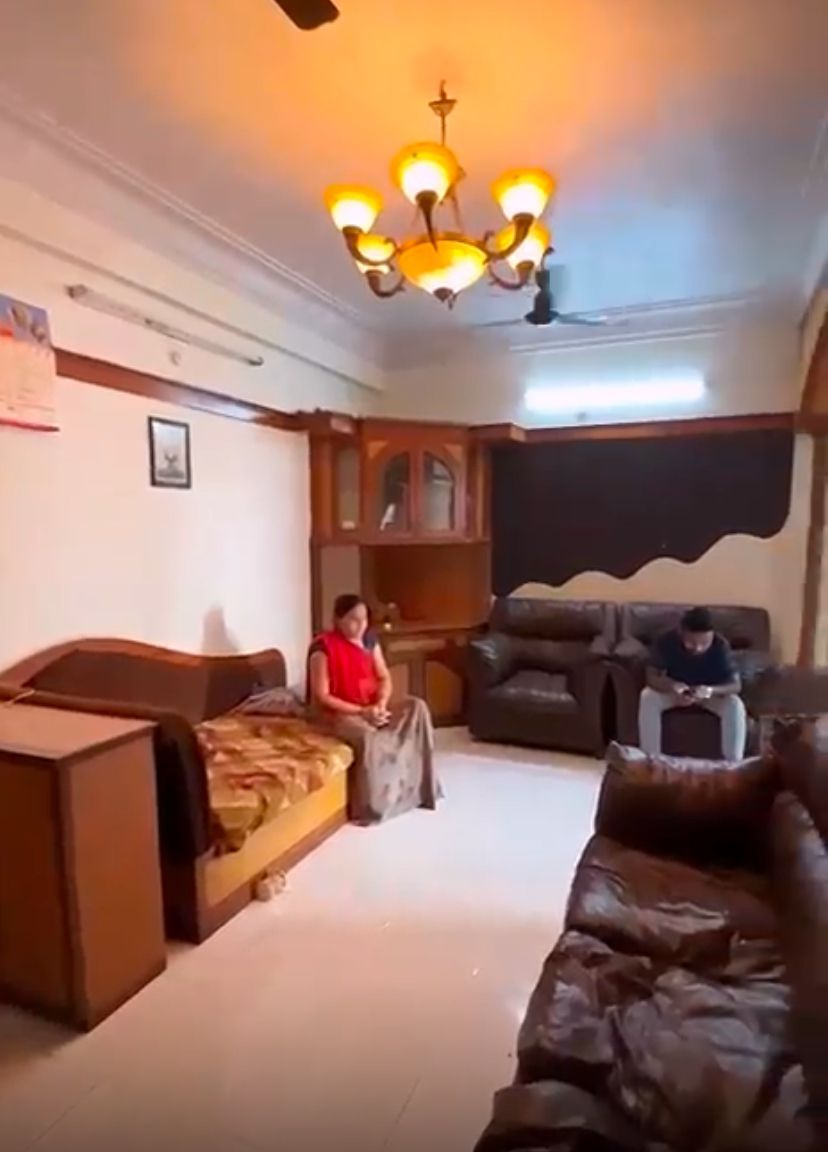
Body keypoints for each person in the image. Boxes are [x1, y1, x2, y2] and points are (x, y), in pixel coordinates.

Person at [308, 593, 441, 823]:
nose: (361, 625)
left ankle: (418, 787)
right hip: (339, 712)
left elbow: (383, 677)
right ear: (337, 620)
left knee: (416, 708)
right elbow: (323, 696)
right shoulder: (323, 647)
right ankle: (376, 804)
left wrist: (380, 704)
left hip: (371, 705)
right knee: (366, 734)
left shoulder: (369, 641)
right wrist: (362, 712)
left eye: (364, 619)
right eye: (353, 619)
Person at [638, 606, 746, 760]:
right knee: (647, 696)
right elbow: (651, 677)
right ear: (681, 633)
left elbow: (736, 685)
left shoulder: (721, 645)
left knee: (735, 704)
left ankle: (732, 764)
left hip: (707, 695)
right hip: (676, 692)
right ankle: (651, 760)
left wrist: (711, 690)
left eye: (704, 643)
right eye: (691, 642)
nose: (698, 648)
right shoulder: (666, 640)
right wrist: (672, 686)